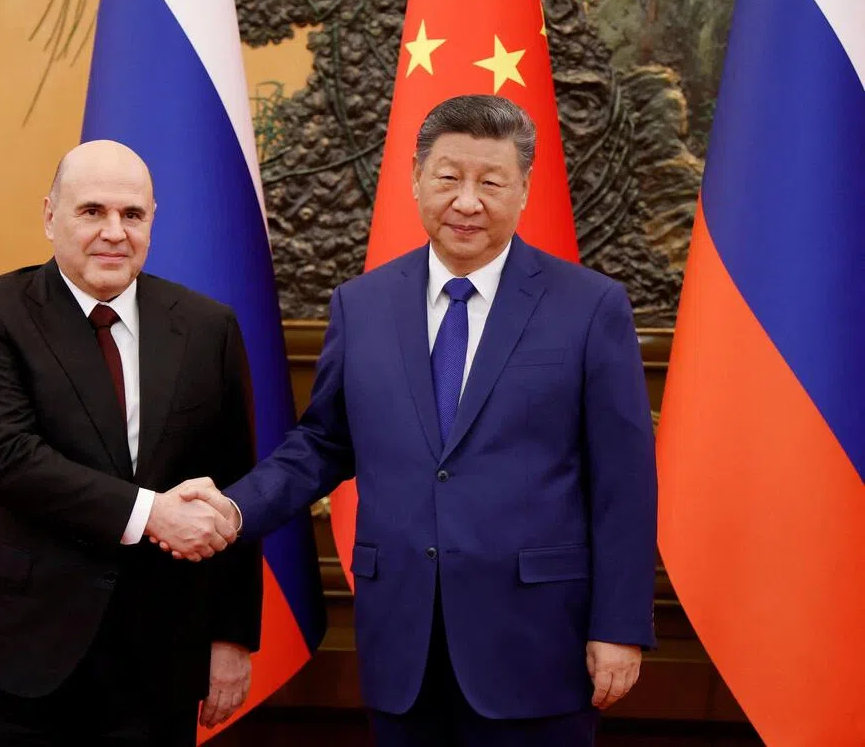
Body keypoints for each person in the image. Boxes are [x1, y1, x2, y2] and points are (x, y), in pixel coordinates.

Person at [164, 95, 658, 746]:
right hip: (403, 642)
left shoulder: (590, 307)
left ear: (525, 190)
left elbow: (624, 481)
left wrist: (619, 625)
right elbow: (322, 443)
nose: (467, 201)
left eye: (491, 182)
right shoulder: (362, 305)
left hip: (539, 642)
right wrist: (232, 509)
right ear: (416, 179)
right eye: (449, 177)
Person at [0, 140, 260, 745]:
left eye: (132, 215)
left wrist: (230, 636)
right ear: (51, 215)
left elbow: (233, 487)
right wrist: (153, 514)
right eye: (92, 212)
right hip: (21, 647)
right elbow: (7, 459)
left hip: (160, 652)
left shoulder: (207, 327)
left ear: (152, 221)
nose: (114, 232)